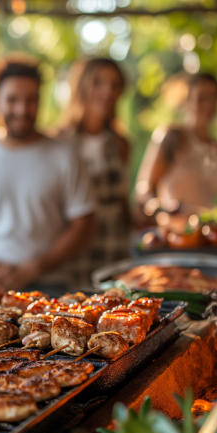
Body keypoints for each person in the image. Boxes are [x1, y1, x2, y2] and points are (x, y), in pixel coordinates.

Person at [0, 55, 95, 297]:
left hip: (52, 287)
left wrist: (36, 267)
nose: (22, 109)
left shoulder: (65, 155)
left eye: (31, 100)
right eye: (12, 100)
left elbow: (84, 224)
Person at [134, 72, 217, 229]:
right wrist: (166, 208)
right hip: (178, 237)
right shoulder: (171, 138)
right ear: (187, 101)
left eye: (213, 98)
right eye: (201, 98)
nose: (208, 105)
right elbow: (144, 191)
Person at [57, 57, 132, 288]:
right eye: (98, 82)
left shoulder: (120, 143)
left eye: (115, 84)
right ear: (81, 86)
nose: (107, 91)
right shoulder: (60, 141)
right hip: (73, 256)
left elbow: (122, 202)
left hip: (114, 250)